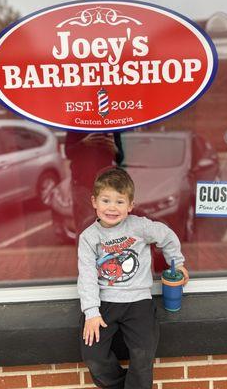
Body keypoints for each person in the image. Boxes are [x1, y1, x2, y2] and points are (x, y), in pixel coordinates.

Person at [77, 167, 189, 389]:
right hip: (105, 302)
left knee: (143, 353)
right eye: (106, 200)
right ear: (94, 202)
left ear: (130, 206)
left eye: (119, 202)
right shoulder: (89, 237)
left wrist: (177, 261)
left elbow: (166, 235)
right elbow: (87, 275)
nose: (112, 207)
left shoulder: (139, 226)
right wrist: (91, 312)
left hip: (139, 301)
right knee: (92, 354)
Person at [65, 132, 123, 236]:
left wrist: (114, 149)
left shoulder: (112, 125)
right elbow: (68, 153)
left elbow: (120, 157)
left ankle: (102, 251)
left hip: (106, 185)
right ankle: (85, 251)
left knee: (106, 226)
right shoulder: (77, 124)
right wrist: (84, 143)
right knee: (86, 225)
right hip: (82, 184)